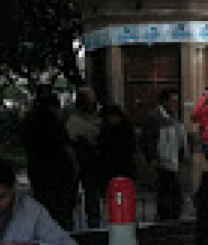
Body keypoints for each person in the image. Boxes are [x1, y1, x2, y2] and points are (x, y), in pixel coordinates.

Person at [21, 93, 79, 230]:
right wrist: (75, 166)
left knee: (46, 205)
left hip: (39, 169)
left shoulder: (29, 123)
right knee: (62, 209)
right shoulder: (55, 124)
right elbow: (66, 147)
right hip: (59, 171)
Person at [142, 89, 189, 221]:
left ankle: (173, 213)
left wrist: (183, 153)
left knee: (174, 189)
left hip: (174, 159)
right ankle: (165, 214)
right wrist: (152, 157)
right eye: (172, 101)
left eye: (176, 101)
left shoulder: (174, 116)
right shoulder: (154, 117)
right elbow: (148, 139)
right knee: (165, 189)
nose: (175, 104)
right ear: (164, 102)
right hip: (162, 159)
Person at [66, 86, 103, 227]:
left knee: (92, 191)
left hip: (92, 158)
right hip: (74, 155)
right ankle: (69, 220)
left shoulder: (100, 113)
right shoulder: (70, 113)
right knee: (71, 191)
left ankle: (94, 220)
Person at [98, 104, 137, 186]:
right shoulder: (107, 128)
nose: (108, 120)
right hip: (109, 167)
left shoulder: (126, 128)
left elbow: (129, 148)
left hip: (123, 166)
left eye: (109, 117)